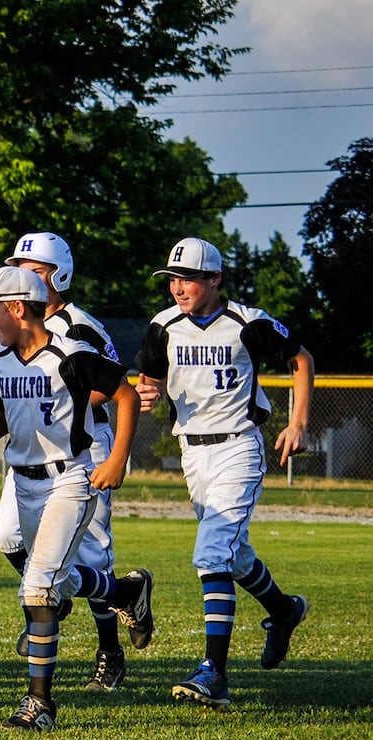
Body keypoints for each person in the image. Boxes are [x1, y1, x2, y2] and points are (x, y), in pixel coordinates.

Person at [0, 266, 151, 730]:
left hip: (69, 478)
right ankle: (125, 590)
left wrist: (118, 460)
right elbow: (4, 419)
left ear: (17, 307)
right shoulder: (0, 358)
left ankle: (40, 704)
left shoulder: (71, 353)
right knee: (57, 584)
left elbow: (124, 396)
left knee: (37, 589)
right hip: (24, 481)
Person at [135, 237, 314, 708]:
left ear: (215, 279)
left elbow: (301, 358)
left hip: (239, 447)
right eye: (173, 278)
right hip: (192, 453)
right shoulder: (163, 326)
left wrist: (297, 423)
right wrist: (148, 391)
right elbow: (148, 378)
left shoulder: (246, 322)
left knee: (212, 552)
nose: (179, 287)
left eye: (190, 278)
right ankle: (282, 609)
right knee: (232, 555)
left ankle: (214, 672)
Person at [0, 232, 134, 690]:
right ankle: (54, 592)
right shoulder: (10, 339)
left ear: (59, 275)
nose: (23, 276)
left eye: (34, 269)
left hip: (83, 442)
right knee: (6, 535)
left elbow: (111, 386)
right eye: (18, 268)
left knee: (92, 549)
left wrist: (60, 396)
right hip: (32, 447)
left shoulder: (80, 328)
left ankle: (109, 651)